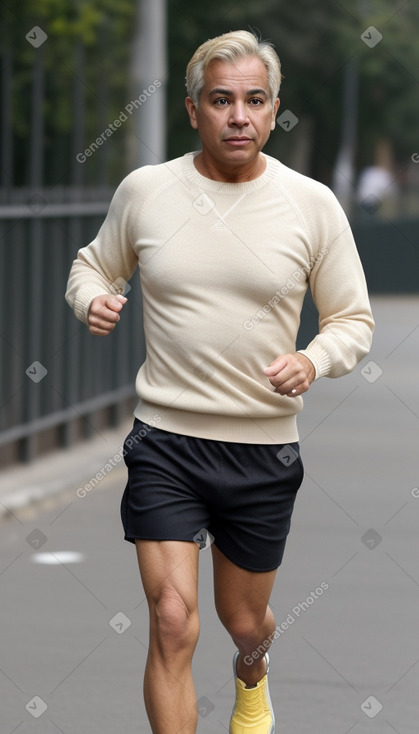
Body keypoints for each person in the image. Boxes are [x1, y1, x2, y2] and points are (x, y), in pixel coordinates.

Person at [65, 29, 374, 734]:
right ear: (192, 110)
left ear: (272, 113)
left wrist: (312, 359)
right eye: (221, 100)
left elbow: (351, 320)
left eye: (254, 101)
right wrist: (92, 299)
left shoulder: (311, 204)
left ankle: (252, 676)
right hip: (166, 442)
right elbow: (92, 265)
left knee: (244, 623)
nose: (238, 115)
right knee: (172, 620)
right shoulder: (147, 191)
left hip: (263, 453)